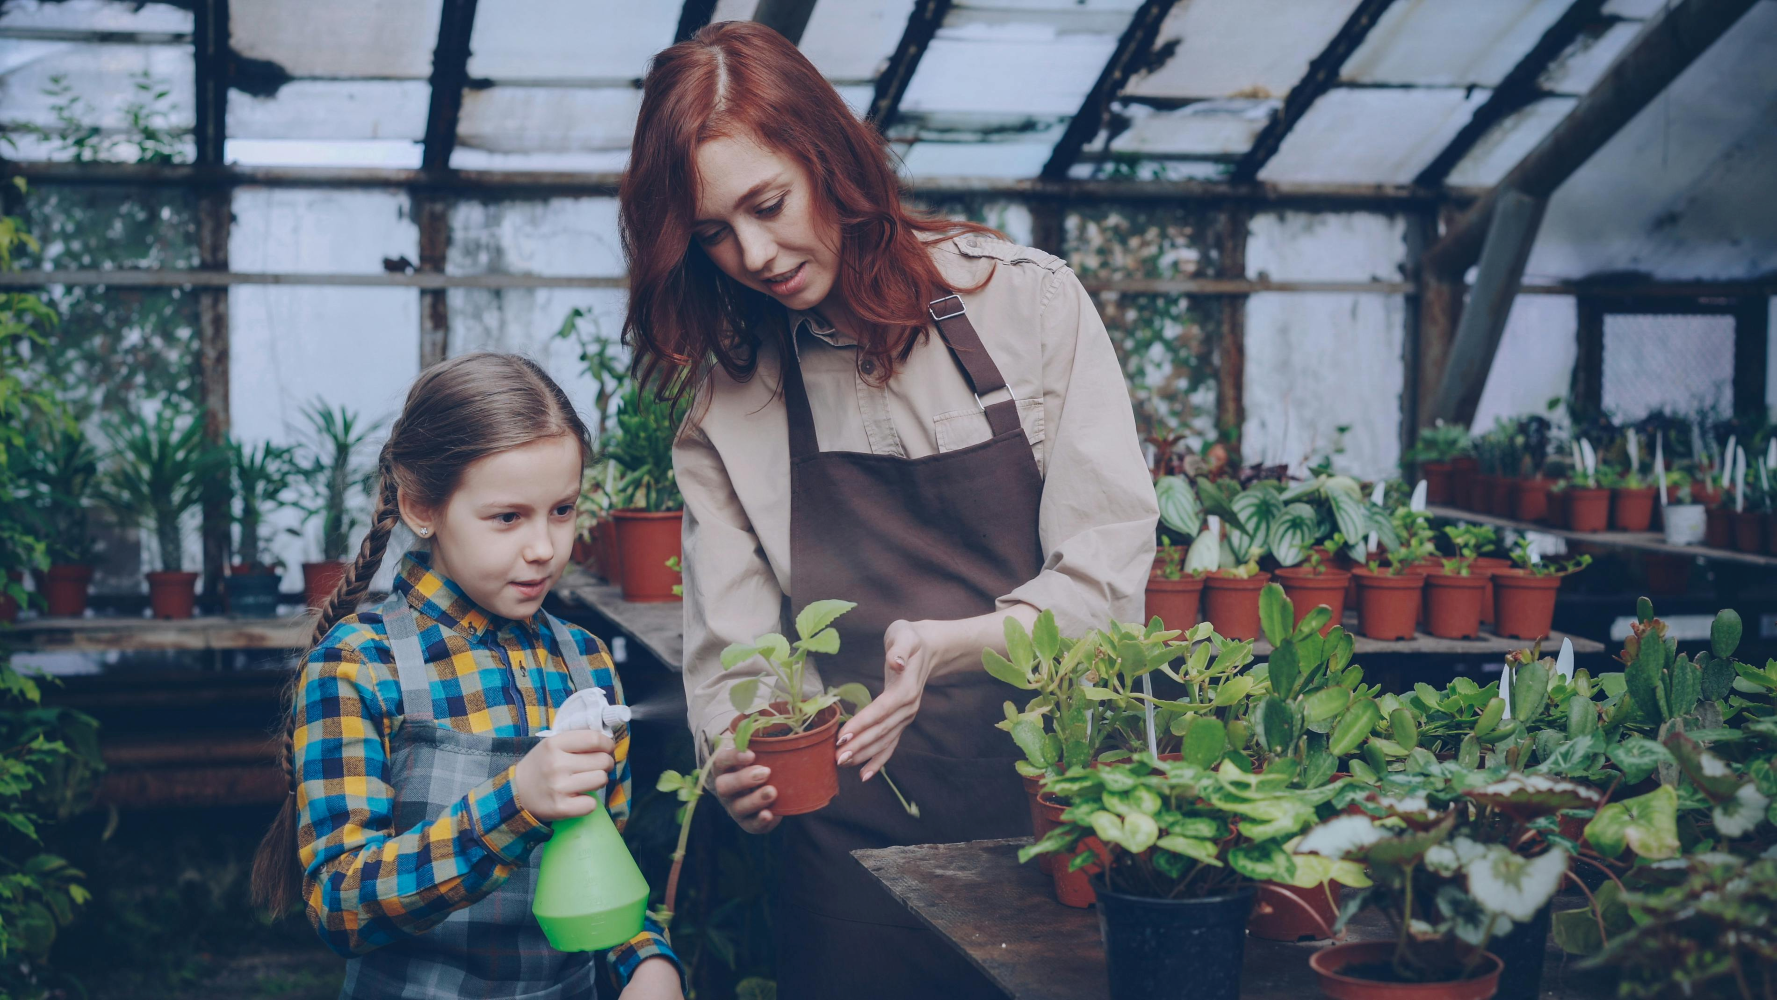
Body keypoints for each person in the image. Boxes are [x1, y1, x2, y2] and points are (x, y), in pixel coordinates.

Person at [619, 22, 1157, 1000]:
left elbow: (1107, 594)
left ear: (830, 158)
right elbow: (733, 657)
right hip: (846, 856)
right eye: (712, 233)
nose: (752, 254)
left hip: (1060, 814)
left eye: (768, 204)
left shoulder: (1026, 308)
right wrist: (737, 761)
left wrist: (945, 644)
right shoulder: (728, 399)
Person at [250, 354, 683, 1000]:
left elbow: (604, 868)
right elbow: (340, 903)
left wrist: (647, 961)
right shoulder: (359, 666)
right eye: (508, 517)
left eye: (561, 510)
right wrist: (516, 804)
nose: (543, 546)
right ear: (422, 506)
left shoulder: (586, 665)